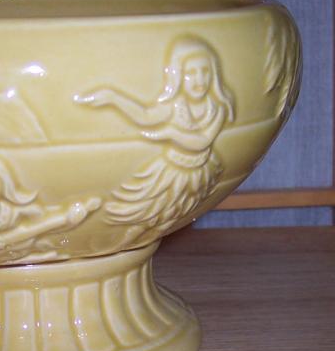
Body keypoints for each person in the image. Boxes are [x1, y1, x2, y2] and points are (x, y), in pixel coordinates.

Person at [76, 36, 234, 246]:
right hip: (172, 174)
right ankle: (123, 242)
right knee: (151, 214)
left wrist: (170, 133)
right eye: (191, 73)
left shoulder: (216, 108)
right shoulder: (176, 105)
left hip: (199, 172)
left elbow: (202, 141)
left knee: (173, 215)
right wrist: (114, 98)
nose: (199, 80)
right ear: (179, 76)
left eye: (205, 72)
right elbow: (146, 117)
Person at [0, 151, 101, 263]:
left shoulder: (14, 208)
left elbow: (41, 225)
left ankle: (33, 258)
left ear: (4, 184)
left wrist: (66, 220)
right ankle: (36, 258)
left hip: (16, 248)